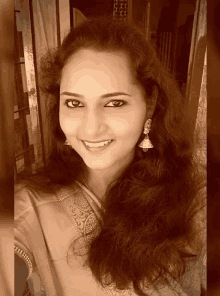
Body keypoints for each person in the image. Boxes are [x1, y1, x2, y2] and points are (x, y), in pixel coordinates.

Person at [15, 17, 206, 296]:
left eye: (115, 103)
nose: (92, 128)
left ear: (149, 105)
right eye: (74, 103)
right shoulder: (28, 205)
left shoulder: (195, 201)